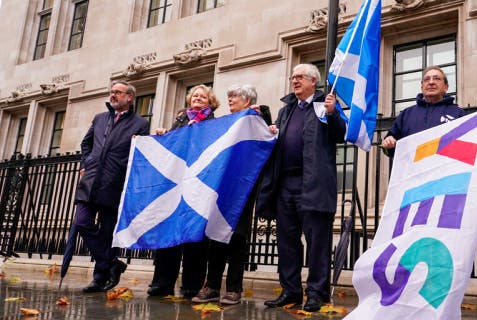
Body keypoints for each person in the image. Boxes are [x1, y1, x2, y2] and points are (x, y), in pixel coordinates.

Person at [257, 64, 346, 312]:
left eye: (300, 77)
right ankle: (290, 291)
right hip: (285, 184)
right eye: (293, 77)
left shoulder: (325, 105)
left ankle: (317, 293)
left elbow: (340, 135)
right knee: (287, 241)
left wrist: (333, 114)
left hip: (314, 184)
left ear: (313, 82)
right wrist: (270, 127)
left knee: (317, 242)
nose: (295, 81)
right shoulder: (286, 111)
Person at [191, 84, 272, 305]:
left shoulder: (255, 118)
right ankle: (212, 286)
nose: (230, 99)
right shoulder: (225, 123)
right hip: (220, 188)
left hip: (243, 188)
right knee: (215, 236)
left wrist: (262, 113)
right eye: (229, 96)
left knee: (237, 237)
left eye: (234, 96)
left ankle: (234, 288)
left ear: (247, 100)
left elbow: (266, 132)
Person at [75, 80, 150, 293]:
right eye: (112, 91)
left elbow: (141, 154)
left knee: (107, 232)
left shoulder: (140, 124)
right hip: (90, 181)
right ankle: (112, 262)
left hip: (114, 184)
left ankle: (99, 278)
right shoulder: (99, 119)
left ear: (129, 97)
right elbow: (86, 143)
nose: (113, 95)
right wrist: (85, 164)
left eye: (118, 92)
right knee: (82, 221)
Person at [147, 84, 220, 298]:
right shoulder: (180, 120)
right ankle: (162, 283)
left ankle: (191, 285)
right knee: (169, 232)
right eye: (194, 95)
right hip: (175, 185)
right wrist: (164, 134)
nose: (197, 98)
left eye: (203, 97)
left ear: (210, 102)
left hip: (198, 186)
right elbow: (170, 147)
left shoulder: (215, 123)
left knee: (195, 236)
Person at [381, 66, 466, 156]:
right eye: (426, 79)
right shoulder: (406, 114)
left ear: (446, 87)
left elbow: (467, 148)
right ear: (422, 87)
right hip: (413, 169)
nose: (431, 82)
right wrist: (389, 143)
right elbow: (390, 149)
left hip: (446, 169)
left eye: (436, 78)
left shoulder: (458, 113)